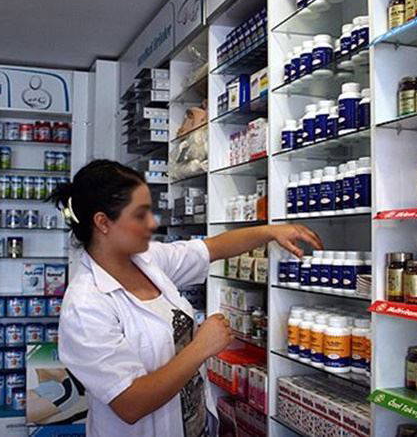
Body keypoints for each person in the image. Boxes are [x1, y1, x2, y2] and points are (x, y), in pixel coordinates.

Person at [51, 160, 323, 437]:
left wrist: (271, 231)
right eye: (140, 215)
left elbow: (211, 248)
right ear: (103, 222)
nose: (152, 223)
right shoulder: (86, 305)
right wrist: (200, 347)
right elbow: (129, 403)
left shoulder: (146, 260)